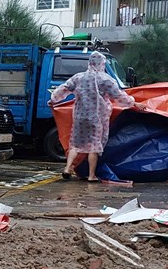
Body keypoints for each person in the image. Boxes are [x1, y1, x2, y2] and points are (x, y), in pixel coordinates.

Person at [48, 50, 138, 182]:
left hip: (80, 116)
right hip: (97, 117)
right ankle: (91, 175)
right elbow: (119, 96)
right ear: (102, 64)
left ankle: (67, 168)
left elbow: (63, 88)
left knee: (76, 144)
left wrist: (53, 99)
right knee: (94, 146)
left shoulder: (78, 77)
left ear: (89, 63)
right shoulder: (106, 80)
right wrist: (134, 103)